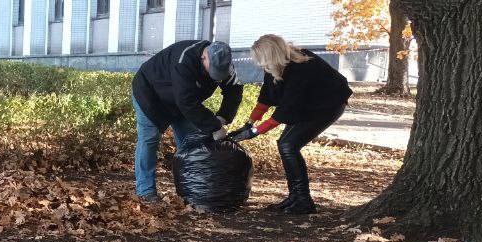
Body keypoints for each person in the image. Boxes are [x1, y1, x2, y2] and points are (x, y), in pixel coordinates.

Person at [229, 34, 352, 214]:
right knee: (285, 144)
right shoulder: (274, 65)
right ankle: (295, 197)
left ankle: (303, 200)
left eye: (263, 61)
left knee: (289, 145)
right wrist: (249, 123)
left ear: (273, 55)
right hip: (308, 105)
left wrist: (253, 133)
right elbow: (267, 95)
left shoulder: (300, 68)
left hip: (328, 105)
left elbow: (284, 113)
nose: (261, 65)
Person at [131, 39, 243, 202]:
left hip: (181, 100)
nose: (216, 77)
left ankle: (191, 190)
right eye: (212, 72)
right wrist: (213, 126)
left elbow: (234, 90)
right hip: (150, 94)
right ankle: (145, 191)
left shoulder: (224, 65)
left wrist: (223, 117)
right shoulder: (184, 59)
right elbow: (186, 102)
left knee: (189, 143)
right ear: (204, 57)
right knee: (149, 139)